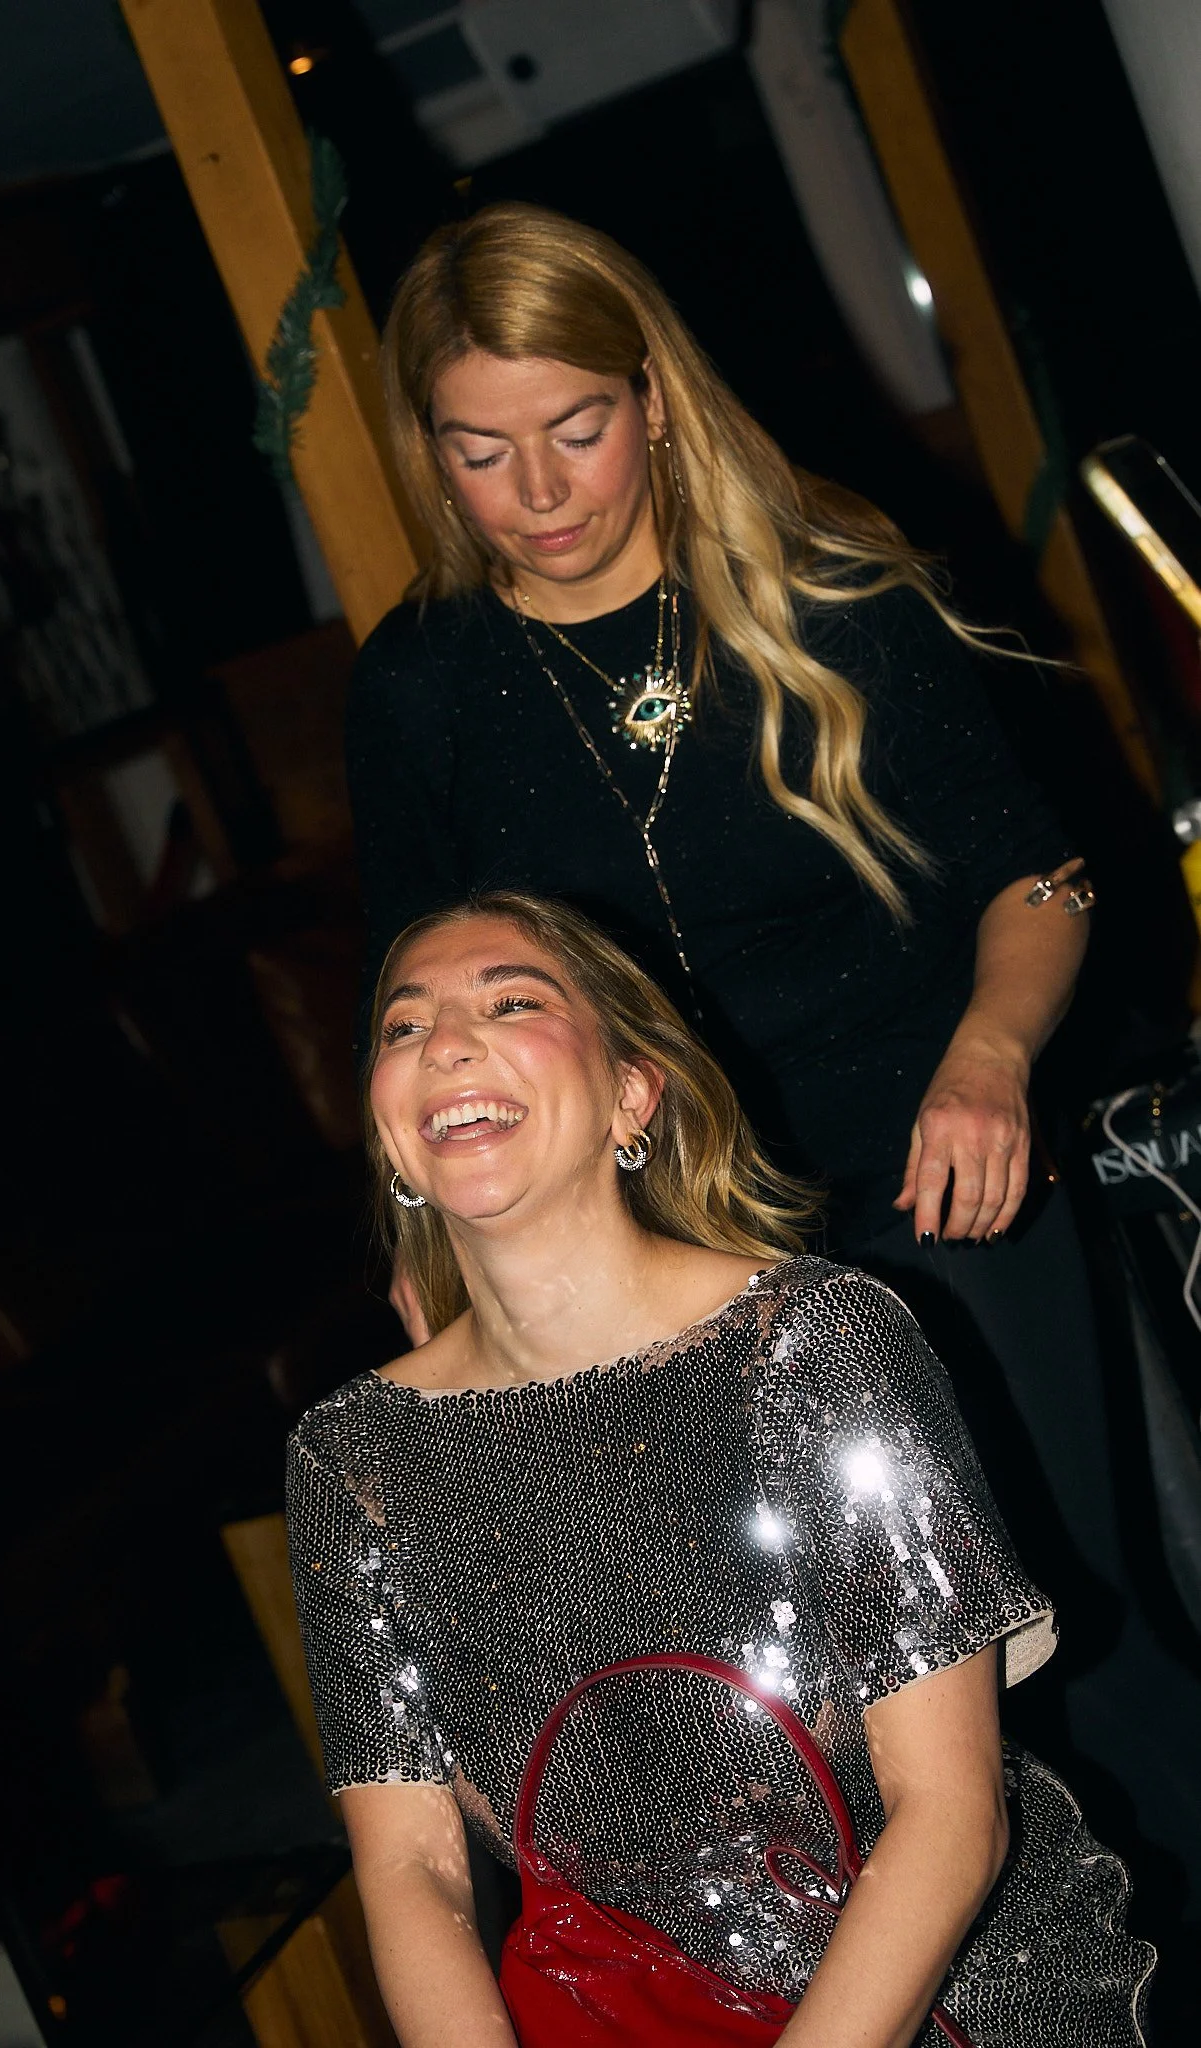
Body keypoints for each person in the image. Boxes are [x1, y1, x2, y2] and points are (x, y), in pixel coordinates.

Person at [344, 202, 1201, 1931]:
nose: (544, 487)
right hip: (657, 1258)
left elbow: (1036, 876)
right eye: (483, 450)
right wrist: (433, 1265)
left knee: (1066, 1642)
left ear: (653, 395)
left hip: (933, 1177)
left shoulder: (835, 585)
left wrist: (989, 1050)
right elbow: (426, 1007)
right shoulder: (427, 686)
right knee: (819, 1721)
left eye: (577, 428)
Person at [286, 893, 1153, 2048]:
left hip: (948, 1997)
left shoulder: (816, 1342)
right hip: (621, 2007)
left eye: (512, 1000)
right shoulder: (350, 1456)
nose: (445, 1041)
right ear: (390, 1131)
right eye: (403, 1028)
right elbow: (411, 1866)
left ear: (632, 1094)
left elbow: (951, 1817)